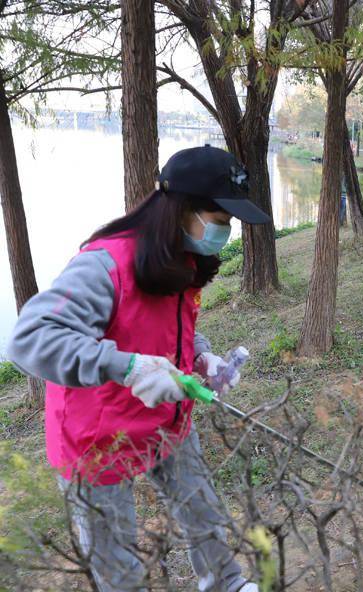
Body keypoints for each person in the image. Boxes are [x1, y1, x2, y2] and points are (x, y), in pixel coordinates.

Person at [7, 146, 270, 592]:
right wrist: (126, 367)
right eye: (220, 220)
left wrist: (202, 358)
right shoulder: (104, 265)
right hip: (97, 438)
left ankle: (225, 583)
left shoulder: (182, 257)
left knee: (202, 510)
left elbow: (171, 325)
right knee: (118, 567)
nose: (224, 232)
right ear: (183, 209)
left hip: (166, 421)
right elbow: (29, 339)